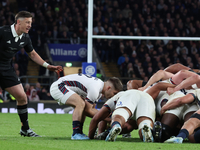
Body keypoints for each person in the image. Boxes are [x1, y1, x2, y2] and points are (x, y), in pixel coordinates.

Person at [0, 11, 62, 137]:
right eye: (27, 22)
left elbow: (32, 54)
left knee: (22, 97)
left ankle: (25, 129)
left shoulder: (25, 38)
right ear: (18, 22)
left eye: (31, 23)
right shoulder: (3, 32)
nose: (30, 25)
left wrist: (47, 66)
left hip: (6, 68)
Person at [50, 73, 123, 140]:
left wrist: (106, 117)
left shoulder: (98, 89)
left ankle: (79, 132)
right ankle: (76, 133)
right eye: (114, 93)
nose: (114, 96)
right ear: (108, 88)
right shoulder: (95, 89)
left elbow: (91, 109)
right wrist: (108, 119)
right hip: (59, 86)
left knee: (83, 105)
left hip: (63, 86)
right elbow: (88, 111)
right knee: (80, 103)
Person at [89, 89, 156, 142]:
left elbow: (96, 118)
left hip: (129, 95)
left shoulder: (115, 98)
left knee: (121, 114)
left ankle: (116, 125)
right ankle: (146, 127)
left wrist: (91, 137)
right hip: (148, 98)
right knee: (144, 124)